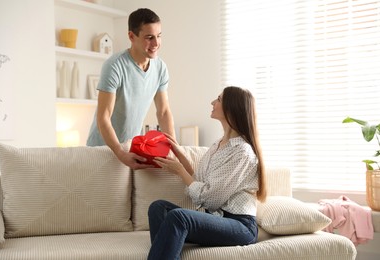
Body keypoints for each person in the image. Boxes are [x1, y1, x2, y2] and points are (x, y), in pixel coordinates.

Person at [147, 86, 267, 260]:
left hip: (239, 225)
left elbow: (210, 199)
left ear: (230, 108)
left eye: (218, 99)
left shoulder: (242, 151)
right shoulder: (218, 145)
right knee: (158, 208)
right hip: (217, 219)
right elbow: (199, 181)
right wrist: (180, 153)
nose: (213, 102)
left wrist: (180, 171)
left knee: (178, 217)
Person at [86, 8, 175, 170]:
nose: (156, 44)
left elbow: (163, 112)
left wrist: (175, 149)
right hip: (102, 149)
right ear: (131, 36)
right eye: (149, 37)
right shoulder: (114, 66)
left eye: (159, 36)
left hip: (131, 149)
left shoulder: (160, 67)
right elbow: (103, 118)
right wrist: (120, 153)